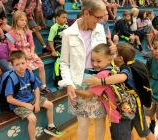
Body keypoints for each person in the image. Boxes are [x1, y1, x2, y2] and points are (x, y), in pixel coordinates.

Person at [58, 0, 116, 140]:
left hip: (100, 80)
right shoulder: (68, 34)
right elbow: (64, 63)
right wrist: (69, 84)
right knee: (83, 124)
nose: (100, 20)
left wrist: (111, 52)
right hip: (79, 81)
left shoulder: (100, 29)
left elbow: (102, 54)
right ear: (86, 13)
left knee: (100, 122)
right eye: (98, 17)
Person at [84, 43, 155, 140]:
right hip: (127, 104)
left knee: (144, 131)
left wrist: (100, 81)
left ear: (120, 58)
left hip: (134, 105)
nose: (112, 56)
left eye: (114, 54)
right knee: (128, 130)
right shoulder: (118, 66)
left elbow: (122, 77)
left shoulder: (126, 68)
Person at [75, 43, 131, 140]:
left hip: (116, 114)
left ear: (109, 60)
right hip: (125, 109)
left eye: (98, 61)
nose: (94, 64)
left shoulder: (101, 75)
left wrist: (73, 90)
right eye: (92, 60)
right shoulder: (114, 69)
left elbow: (89, 94)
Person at [5, 50, 63, 140]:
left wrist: (36, 102)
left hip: (31, 98)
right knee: (32, 119)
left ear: (26, 62)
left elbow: (36, 88)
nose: (21, 66)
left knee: (50, 105)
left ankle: (50, 127)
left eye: (23, 63)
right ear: (12, 66)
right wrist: (26, 105)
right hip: (18, 104)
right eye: (17, 64)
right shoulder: (11, 79)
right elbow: (9, 99)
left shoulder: (29, 73)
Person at [6, 10, 52, 94]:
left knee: (41, 65)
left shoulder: (27, 31)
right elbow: (12, 48)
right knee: (28, 70)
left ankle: (43, 86)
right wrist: (24, 56)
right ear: (16, 20)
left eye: (25, 20)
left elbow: (31, 44)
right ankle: (31, 89)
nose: (24, 22)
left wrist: (31, 53)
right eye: (22, 20)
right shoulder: (11, 33)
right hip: (18, 55)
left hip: (29, 53)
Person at [48, 9, 68, 88]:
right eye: (63, 17)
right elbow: (50, 40)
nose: (65, 19)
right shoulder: (54, 28)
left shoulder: (66, 27)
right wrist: (53, 51)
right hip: (58, 46)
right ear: (57, 18)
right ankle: (58, 79)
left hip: (65, 45)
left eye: (66, 18)